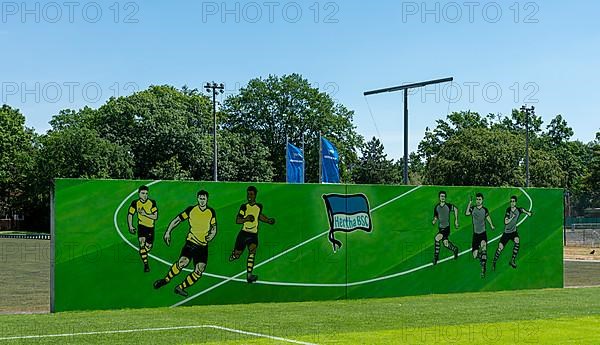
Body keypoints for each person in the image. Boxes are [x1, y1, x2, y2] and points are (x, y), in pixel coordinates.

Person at [153, 190, 217, 297]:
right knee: (183, 262)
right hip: (191, 242)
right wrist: (168, 231)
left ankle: (180, 287)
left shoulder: (211, 212)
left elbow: (214, 227)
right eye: (200, 198)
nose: (202, 201)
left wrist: (212, 235)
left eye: (204, 199)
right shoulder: (191, 210)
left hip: (203, 246)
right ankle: (166, 280)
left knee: (199, 270)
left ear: (207, 199)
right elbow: (177, 220)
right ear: (198, 199)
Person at [229, 186, 275, 283]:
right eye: (248, 194)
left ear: (255, 195)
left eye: (251, 194)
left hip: (253, 235)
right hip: (244, 234)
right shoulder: (244, 207)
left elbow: (259, 216)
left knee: (252, 251)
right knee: (238, 254)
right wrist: (246, 219)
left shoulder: (259, 206)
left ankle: (249, 275)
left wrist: (268, 220)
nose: (249, 196)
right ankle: (234, 255)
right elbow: (238, 220)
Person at [492, 195, 532, 270]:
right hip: (506, 233)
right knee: (500, 247)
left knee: (517, 241)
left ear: (516, 202)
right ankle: (494, 262)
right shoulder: (508, 210)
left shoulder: (518, 210)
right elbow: (506, 221)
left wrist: (527, 212)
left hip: (513, 232)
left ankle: (512, 260)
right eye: (511, 201)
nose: (512, 203)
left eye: (513, 201)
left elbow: (522, 210)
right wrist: (512, 217)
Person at [127, 185, 158, 272]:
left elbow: (155, 216)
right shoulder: (135, 203)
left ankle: (143, 252)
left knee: (148, 247)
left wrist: (145, 214)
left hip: (150, 227)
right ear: (139, 194)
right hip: (141, 226)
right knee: (142, 243)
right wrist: (130, 226)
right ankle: (146, 265)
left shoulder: (152, 202)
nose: (145, 195)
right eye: (143, 193)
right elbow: (130, 214)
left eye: (146, 193)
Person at [465, 193, 495, 278]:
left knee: (484, 246)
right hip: (475, 235)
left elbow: (488, 217)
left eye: (479, 199)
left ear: (482, 200)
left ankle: (483, 267)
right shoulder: (473, 208)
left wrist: (491, 225)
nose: (478, 201)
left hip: (483, 233)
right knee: (475, 256)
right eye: (477, 199)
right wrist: (470, 203)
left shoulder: (484, 210)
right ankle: (482, 257)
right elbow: (467, 213)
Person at [432, 191, 459, 265]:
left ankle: (436, 257)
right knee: (446, 244)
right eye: (441, 196)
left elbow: (456, 209)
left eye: (444, 196)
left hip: (446, 228)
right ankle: (455, 249)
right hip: (440, 228)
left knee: (437, 238)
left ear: (445, 197)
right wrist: (434, 220)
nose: (442, 198)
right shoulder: (437, 207)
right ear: (439, 197)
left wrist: (456, 220)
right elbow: (436, 216)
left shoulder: (448, 206)